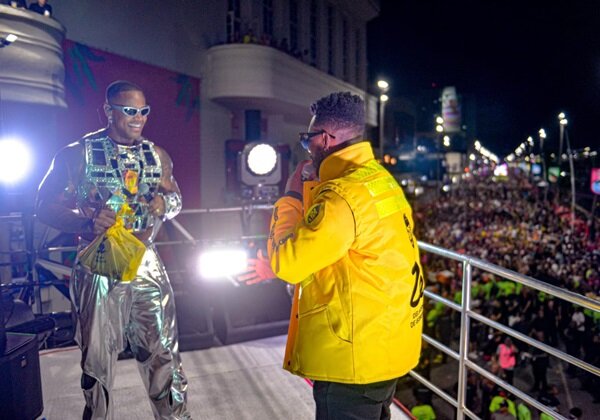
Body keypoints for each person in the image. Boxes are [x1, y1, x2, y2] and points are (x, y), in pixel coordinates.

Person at [36, 80, 190, 419]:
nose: (138, 118)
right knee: (98, 359)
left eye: (144, 111)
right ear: (109, 111)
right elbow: (44, 206)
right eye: (130, 111)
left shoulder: (156, 154)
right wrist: (86, 220)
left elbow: (176, 197)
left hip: (145, 259)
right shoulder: (77, 154)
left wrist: (166, 202)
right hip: (99, 262)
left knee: (163, 350)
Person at [266, 91, 424, 419]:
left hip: (353, 362)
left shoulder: (342, 196)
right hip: (386, 347)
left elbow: (288, 264)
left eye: (308, 138)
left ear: (324, 139)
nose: (307, 147)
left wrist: (292, 198)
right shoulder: (380, 181)